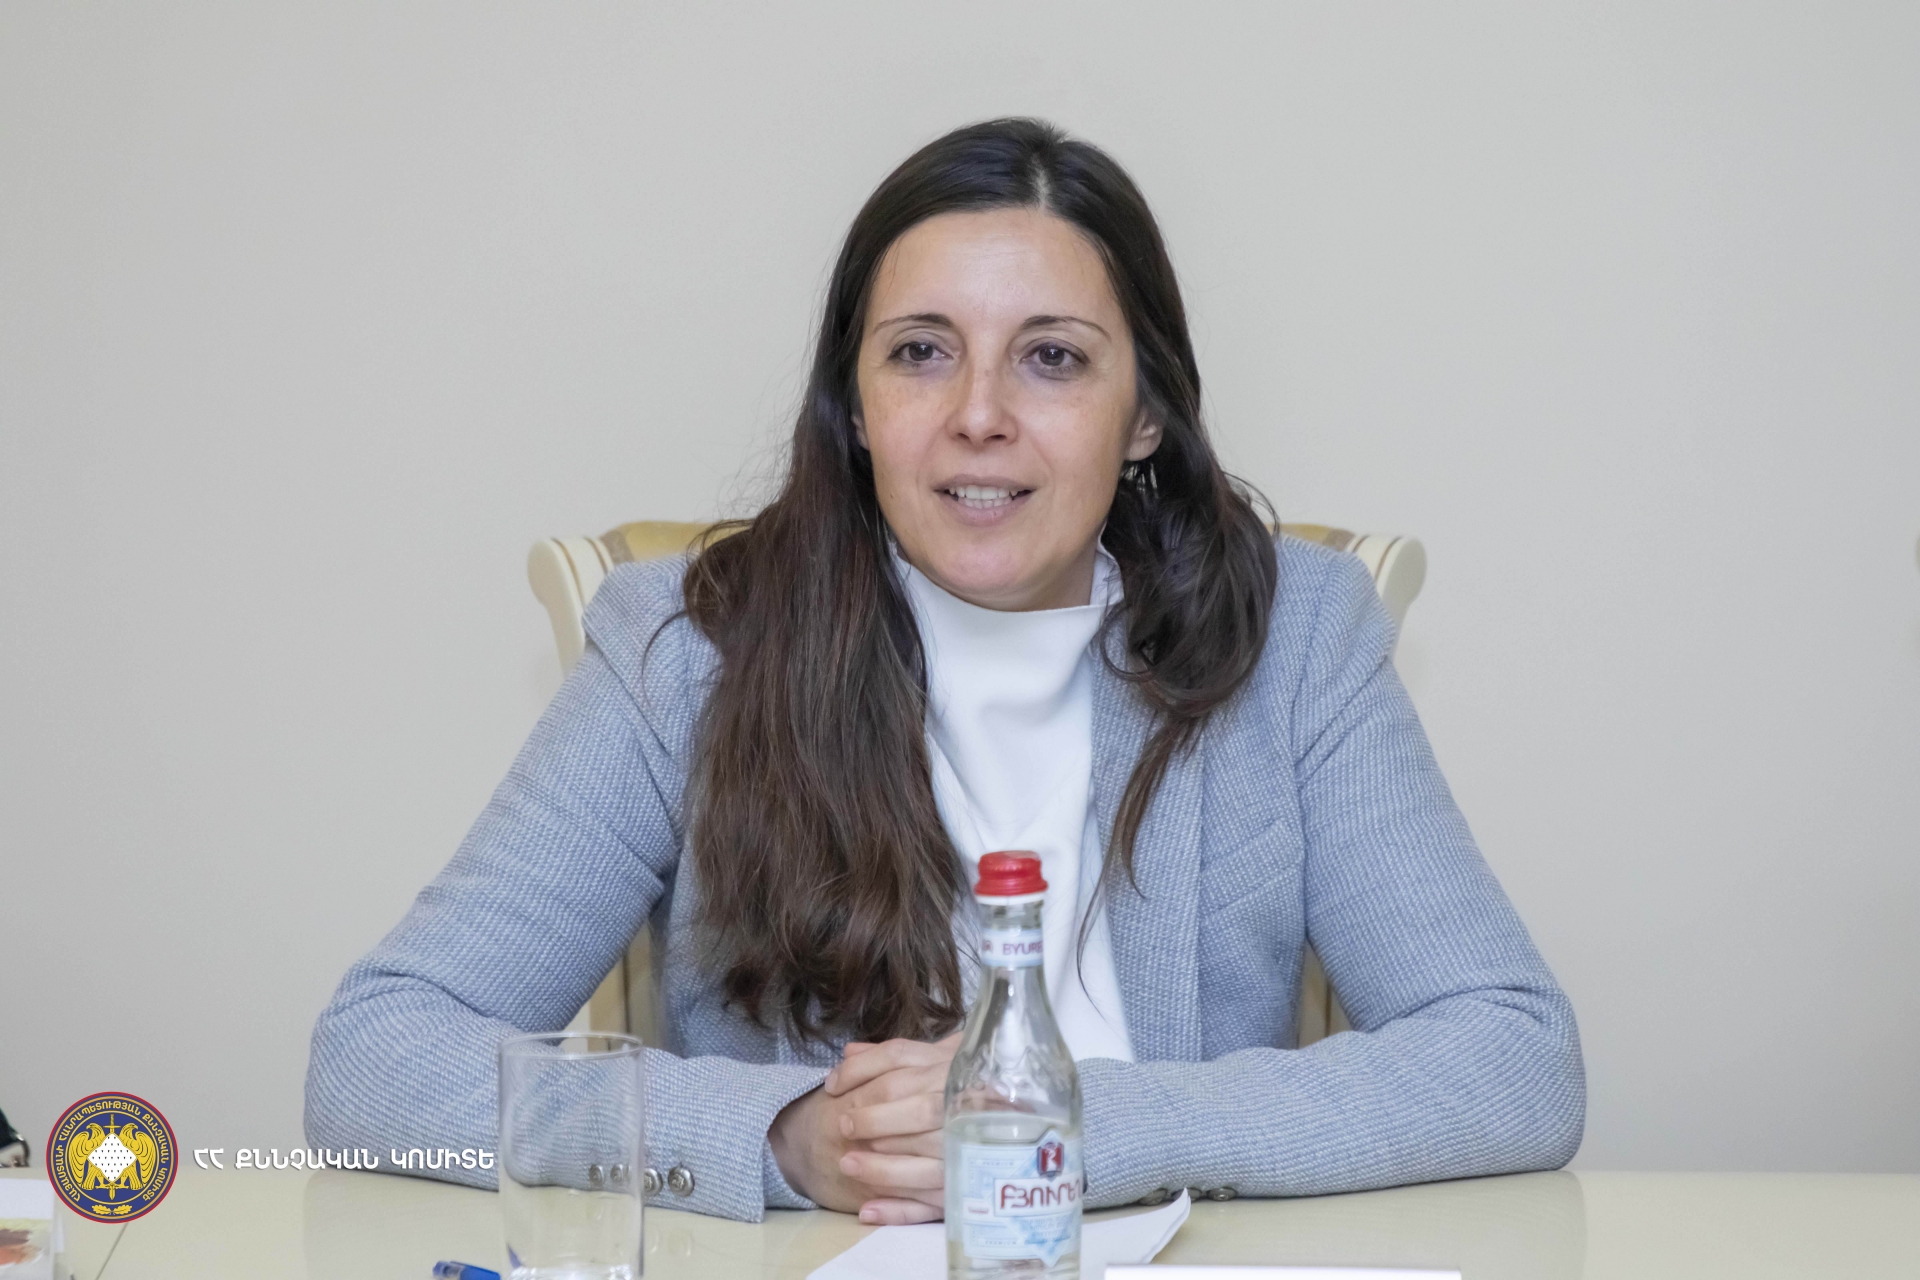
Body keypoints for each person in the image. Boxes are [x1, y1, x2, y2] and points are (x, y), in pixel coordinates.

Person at [305, 118, 1584, 1225]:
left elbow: (1513, 1056)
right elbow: (374, 1058)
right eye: (921, 351)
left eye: (1052, 356)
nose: (979, 413)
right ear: (856, 407)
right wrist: (782, 1138)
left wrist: (1086, 1122)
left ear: (1144, 414)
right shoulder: (687, 649)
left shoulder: (1296, 637)